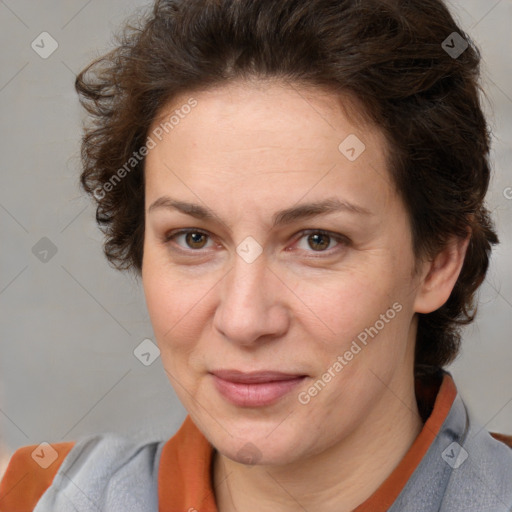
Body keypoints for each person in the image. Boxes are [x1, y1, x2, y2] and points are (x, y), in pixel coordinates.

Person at [1, 0, 511, 510]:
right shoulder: (33, 496)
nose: (244, 321)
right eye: (194, 238)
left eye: (317, 240)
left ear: (439, 261)